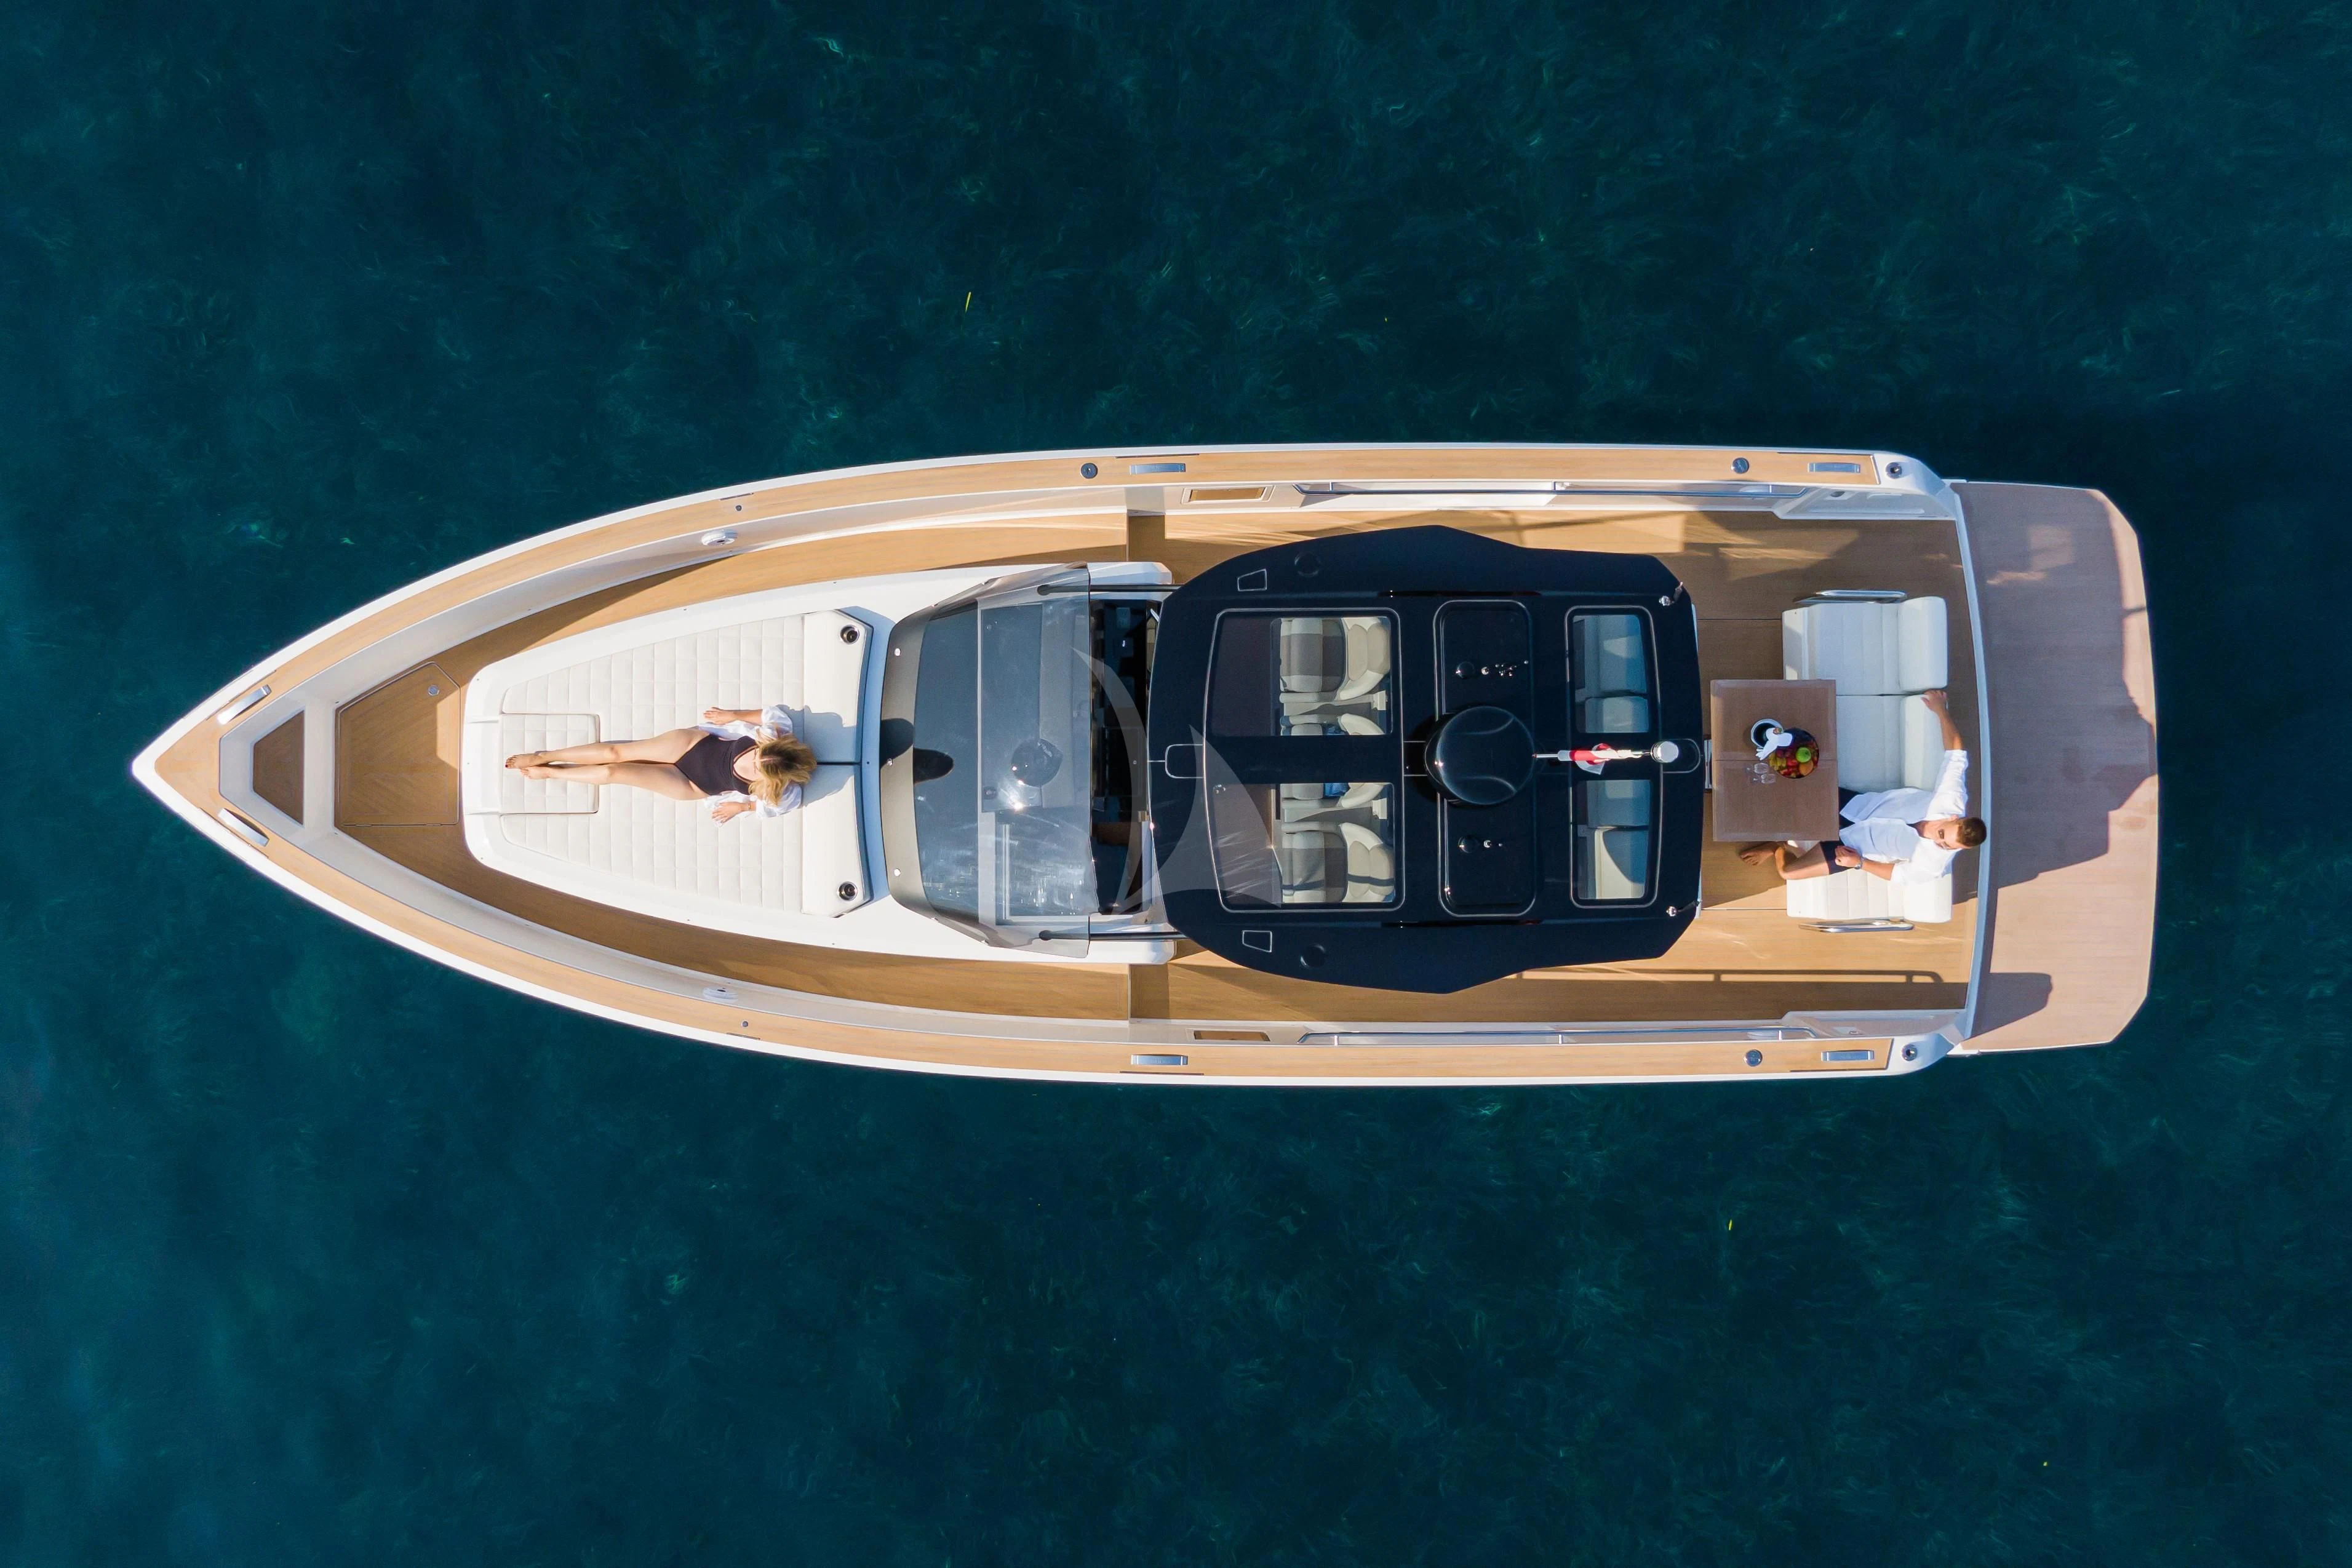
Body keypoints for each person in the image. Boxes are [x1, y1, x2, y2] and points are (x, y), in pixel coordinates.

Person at [1740, 688, 1987, 883]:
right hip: (1855, 806)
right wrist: (1941, 710)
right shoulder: (1949, 799)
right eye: (1942, 834)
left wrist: (1859, 863)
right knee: (1779, 788)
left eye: (1946, 845)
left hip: (1851, 848)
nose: (1938, 840)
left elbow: (1898, 876)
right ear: (1954, 817)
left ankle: (1778, 847)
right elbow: (1956, 754)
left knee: (1789, 874)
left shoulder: (1933, 865)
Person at [506, 705, 816, 822]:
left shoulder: (782, 793)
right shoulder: (776, 733)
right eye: (761, 752)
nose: (757, 758)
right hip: (697, 746)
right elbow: (767, 714)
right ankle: (546, 755)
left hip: (694, 784)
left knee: (615, 772)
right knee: (617, 753)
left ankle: (550, 774)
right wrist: (733, 715)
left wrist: (742, 807)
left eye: (761, 765)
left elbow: (770, 808)